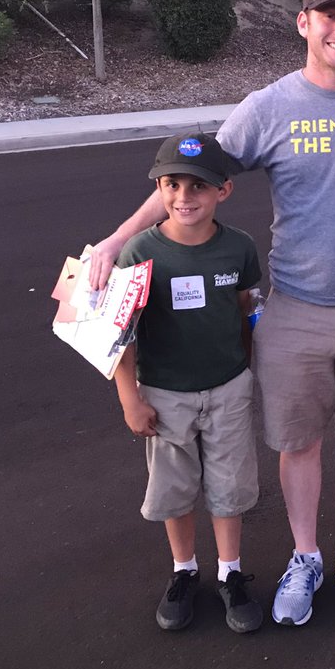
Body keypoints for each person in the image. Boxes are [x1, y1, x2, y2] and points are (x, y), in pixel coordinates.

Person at [90, 0, 335, 627]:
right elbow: (193, 171)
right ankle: (307, 556)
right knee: (298, 441)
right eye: (330, 16)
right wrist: (117, 238)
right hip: (293, 307)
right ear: (304, 23)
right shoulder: (269, 107)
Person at [112, 133, 264, 634]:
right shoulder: (140, 252)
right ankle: (184, 571)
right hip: (164, 394)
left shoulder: (238, 247)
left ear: (223, 191)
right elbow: (121, 335)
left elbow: (245, 311)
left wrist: (244, 371)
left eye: (198, 186)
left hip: (227, 390)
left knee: (229, 488)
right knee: (175, 491)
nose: (184, 197)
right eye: (173, 185)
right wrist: (130, 399)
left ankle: (230, 572)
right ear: (159, 188)